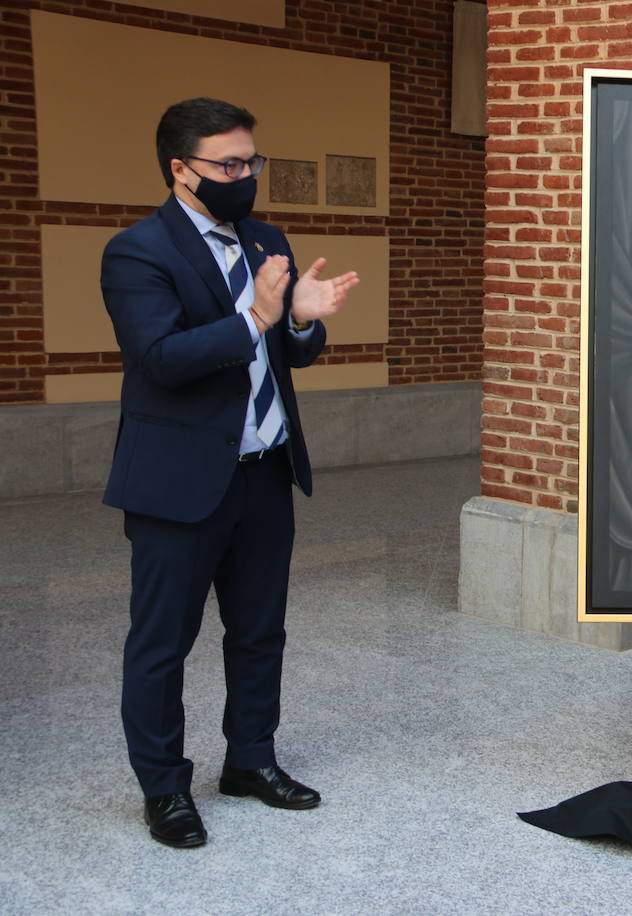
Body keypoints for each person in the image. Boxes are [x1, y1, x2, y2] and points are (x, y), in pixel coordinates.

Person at [101, 98, 359, 848]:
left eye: (252, 162)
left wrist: (303, 319)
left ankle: (250, 760)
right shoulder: (137, 251)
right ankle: (165, 790)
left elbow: (292, 351)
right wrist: (254, 318)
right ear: (181, 170)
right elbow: (160, 358)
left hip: (263, 473)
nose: (244, 176)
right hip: (177, 484)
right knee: (161, 644)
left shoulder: (264, 238)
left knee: (258, 634)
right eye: (227, 165)